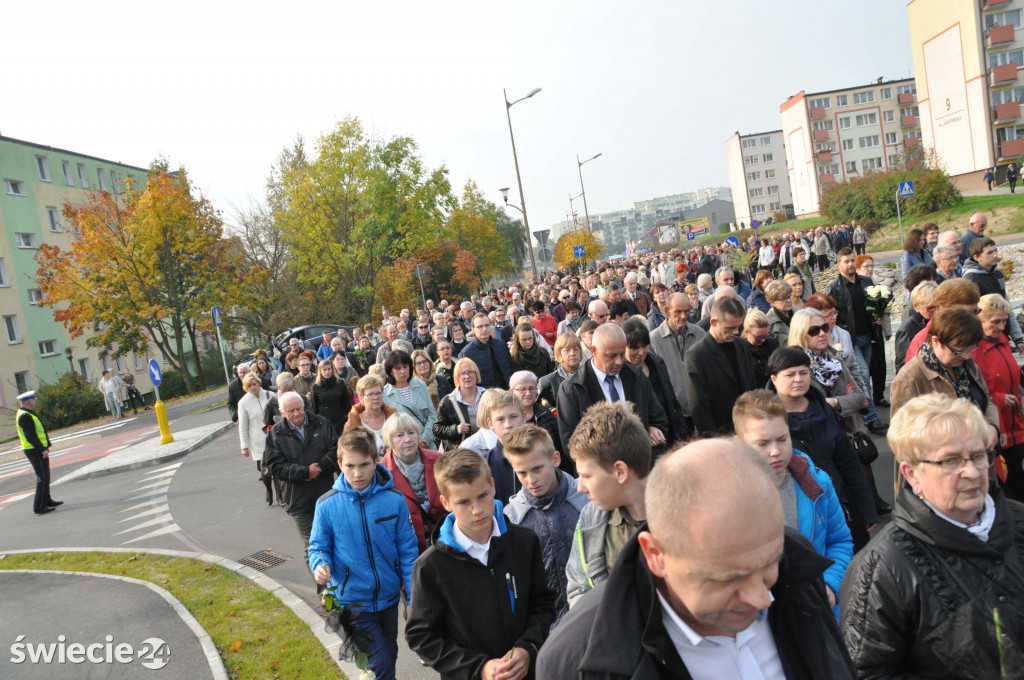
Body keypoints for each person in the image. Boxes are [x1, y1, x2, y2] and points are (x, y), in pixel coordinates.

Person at [540, 437, 857, 680]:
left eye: (768, 565)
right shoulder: (576, 662)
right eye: (728, 578)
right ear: (656, 556)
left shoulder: (797, 566)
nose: (763, 598)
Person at [840, 393, 1024, 679]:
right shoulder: (883, 567)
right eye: (950, 460)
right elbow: (864, 672)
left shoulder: (1019, 521)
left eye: (977, 455)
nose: (972, 472)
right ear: (912, 474)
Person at [405, 448, 556, 680]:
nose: (477, 510)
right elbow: (422, 636)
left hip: (528, 672)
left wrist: (528, 647)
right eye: (464, 502)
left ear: (493, 486)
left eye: (483, 496)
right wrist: (479, 668)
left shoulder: (524, 542)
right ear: (445, 502)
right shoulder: (430, 566)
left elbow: (543, 603)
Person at [733, 390, 853, 618]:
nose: (776, 451)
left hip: (816, 614)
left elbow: (839, 540)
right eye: (763, 443)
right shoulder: (724, 499)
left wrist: (829, 585)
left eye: (782, 439)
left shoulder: (818, 483)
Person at [309, 427, 417, 680]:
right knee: (380, 664)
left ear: (376, 461)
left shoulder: (394, 500)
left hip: (389, 598)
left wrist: (412, 598)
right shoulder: (327, 504)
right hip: (353, 601)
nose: (357, 473)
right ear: (339, 464)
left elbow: (408, 552)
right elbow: (318, 546)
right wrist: (319, 565)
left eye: (364, 465)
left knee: (389, 654)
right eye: (350, 466)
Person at [768, 347, 879, 549]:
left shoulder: (823, 408)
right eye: (790, 374)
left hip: (838, 504)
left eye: (803, 373)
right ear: (774, 379)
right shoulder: (765, 418)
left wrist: (866, 508)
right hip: (797, 518)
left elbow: (848, 462)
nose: (798, 379)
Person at [891, 308, 1001, 492]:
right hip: (941, 479)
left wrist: (991, 426)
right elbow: (902, 438)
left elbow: (986, 400)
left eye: (970, 349)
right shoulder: (909, 378)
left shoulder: (966, 363)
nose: (966, 356)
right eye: (959, 351)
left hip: (976, 465)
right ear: (936, 341)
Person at [564, 401, 651, 608]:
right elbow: (578, 589)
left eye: (586, 476)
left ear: (619, 471)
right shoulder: (590, 518)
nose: (580, 488)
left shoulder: (684, 517)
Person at [503, 424, 588, 621]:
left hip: (590, 614)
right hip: (544, 626)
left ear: (555, 459)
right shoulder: (513, 517)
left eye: (537, 469)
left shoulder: (585, 500)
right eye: (522, 473)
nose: (531, 480)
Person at [263, 391, 339, 586]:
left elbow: (336, 450)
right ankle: (326, 591)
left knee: (335, 540)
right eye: (291, 411)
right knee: (313, 544)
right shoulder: (275, 434)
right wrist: (304, 472)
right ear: (282, 412)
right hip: (299, 499)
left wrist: (319, 467)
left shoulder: (322, 423)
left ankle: (340, 584)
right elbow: (275, 466)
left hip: (327, 493)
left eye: (299, 409)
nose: (297, 414)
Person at [556, 323, 669, 451]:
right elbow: (570, 444)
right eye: (612, 356)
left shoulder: (636, 376)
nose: (619, 362)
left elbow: (659, 418)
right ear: (594, 351)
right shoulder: (572, 389)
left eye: (622, 354)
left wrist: (651, 430)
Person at [973, 294, 1024, 501]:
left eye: (1004, 321)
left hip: (1016, 424)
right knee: (1006, 488)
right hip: (996, 427)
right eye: (995, 321)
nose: (1002, 327)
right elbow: (977, 390)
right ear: (981, 320)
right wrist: (1000, 399)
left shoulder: (1002, 341)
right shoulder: (976, 349)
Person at [684, 296, 758, 436]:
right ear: (713, 322)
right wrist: (716, 440)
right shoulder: (697, 355)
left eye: (738, 327)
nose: (736, 332)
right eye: (730, 328)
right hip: (718, 435)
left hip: (747, 430)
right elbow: (699, 407)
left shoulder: (742, 346)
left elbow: (751, 387)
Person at [380, 412, 444, 553]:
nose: (408, 439)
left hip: (445, 542)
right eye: (399, 435)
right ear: (389, 440)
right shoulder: (381, 474)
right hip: (409, 551)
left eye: (411, 432)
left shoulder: (439, 460)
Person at [623, 318, 688, 448]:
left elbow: (672, 400)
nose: (641, 352)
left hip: (670, 438)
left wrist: (681, 436)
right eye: (635, 348)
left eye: (644, 346)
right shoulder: (621, 374)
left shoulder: (656, 363)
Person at [963, 237, 1024, 353]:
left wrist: (1018, 338)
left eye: (995, 251)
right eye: (989, 252)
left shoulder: (998, 274)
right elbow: (971, 314)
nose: (995, 255)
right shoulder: (970, 279)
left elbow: (1007, 307)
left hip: (1002, 335)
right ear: (976, 257)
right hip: (984, 341)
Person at [238, 373, 282, 506]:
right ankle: (269, 490)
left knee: (277, 469)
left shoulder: (270, 395)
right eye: (249, 386)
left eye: (254, 384)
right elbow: (243, 426)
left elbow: (279, 415)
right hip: (258, 442)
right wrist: (244, 446)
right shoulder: (243, 403)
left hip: (274, 439)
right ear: (246, 387)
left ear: (259, 383)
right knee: (265, 472)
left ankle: (280, 496)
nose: (253, 387)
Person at [15, 391, 61, 515]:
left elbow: (38, 432)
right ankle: (39, 506)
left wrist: (45, 446)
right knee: (42, 477)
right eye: (33, 399)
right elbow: (30, 435)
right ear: (29, 401)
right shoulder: (25, 416)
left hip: (37, 449)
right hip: (34, 450)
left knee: (45, 475)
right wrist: (41, 449)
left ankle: (47, 500)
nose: (35, 401)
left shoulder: (27, 413)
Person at [381, 350, 437, 450]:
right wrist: (413, 442)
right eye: (398, 368)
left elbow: (432, 415)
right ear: (390, 371)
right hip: (403, 447)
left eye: (405, 367)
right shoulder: (385, 394)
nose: (402, 371)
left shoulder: (421, 385)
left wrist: (425, 439)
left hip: (428, 445)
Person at [509, 371, 563, 469]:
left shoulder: (546, 414)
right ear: (512, 392)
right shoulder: (508, 420)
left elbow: (558, 447)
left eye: (532, 388)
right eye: (522, 389)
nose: (528, 393)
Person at [433, 357, 486, 451]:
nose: (467, 376)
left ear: (476, 374)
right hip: (461, 453)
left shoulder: (487, 396)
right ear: (457, 377)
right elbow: (437, 429)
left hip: (486, 448)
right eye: (463, 373)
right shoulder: (448, 401)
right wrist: (456, 429)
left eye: (470, 372)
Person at [345, 374, 397, 457]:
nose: (375, 397)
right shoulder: (353, 424)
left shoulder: (393, 417)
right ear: (361, 398)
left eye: (378, 393)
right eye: (370, 394)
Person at [459, 313, 513, 389]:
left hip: (506, 391)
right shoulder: (466, 353)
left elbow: (510, 368)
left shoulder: (501, 344)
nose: (484, 329)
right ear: (473, 329)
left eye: (487, 325)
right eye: (480, 326)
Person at [894, 281, 937, 375]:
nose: (935, 312)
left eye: (937, 307)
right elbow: (902, 367)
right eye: (930, 308)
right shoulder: (906, 330)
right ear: (916, 306)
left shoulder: (938, 322)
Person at [537, 332, 582, 410]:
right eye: (567, 350)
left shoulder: (591, 376)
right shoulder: (547, 382)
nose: (572, 353)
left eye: (576, 349)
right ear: (559, 353)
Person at [310, 359, 353, 434]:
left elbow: (346, 401)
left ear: (332, 369)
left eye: (329, 369)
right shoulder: (315, 387)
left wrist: (348, 417)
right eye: (324, 370)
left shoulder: (340, 383)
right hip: (324, 419)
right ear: (320, 371)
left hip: (340, 418)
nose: (327, 372)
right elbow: (314, 407)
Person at [740, 308, 779, 388]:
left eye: (765, 336)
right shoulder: (740, 349)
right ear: (747, 332)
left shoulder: (772, 344)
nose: (763, 340)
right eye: (758, 337)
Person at [765, 280, 794, 347]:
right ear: (772, 302)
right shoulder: (768, 322)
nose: (789, 301)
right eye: (783, 299)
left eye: (789, 297)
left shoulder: (799, 313)